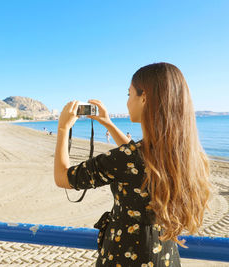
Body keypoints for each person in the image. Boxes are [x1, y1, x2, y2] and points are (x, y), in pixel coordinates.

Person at [54, 63, 210, 266]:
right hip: (165, 255)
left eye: (129, 94)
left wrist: (63, 128)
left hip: (125, 255)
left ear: (144, 97)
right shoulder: (186, 155)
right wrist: (107, 122)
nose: (127, 102)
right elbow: (138, 158)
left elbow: (62, 177)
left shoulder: (128, 158)